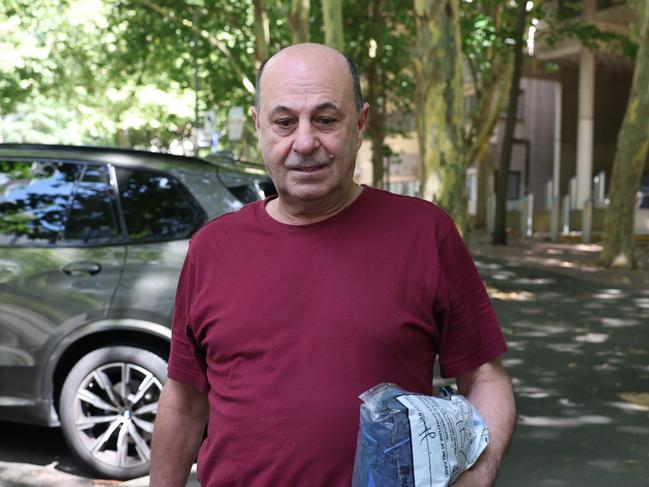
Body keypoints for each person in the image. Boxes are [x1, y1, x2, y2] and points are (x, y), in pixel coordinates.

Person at [150, 43, 516, 487]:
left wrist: (481, 472)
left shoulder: (425, 233)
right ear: (259, 127)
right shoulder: (212, 247)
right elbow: (185, 401)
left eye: (326, 120)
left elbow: (485, 378)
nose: (305, 142)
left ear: (360, 124)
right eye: (284, 122)